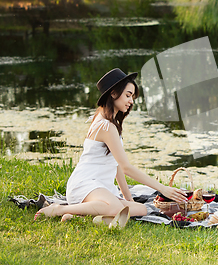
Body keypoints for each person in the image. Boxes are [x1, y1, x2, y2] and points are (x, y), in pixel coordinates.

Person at [34, 68, 187, 223]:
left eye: (132, 96)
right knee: (116, 209)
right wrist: (162, 188)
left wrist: (128, 198)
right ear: (113, 93)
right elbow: (126, 167)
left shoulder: (110, 122)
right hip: (85, 184)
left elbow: (117, 166)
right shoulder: (106, 126)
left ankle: (77, 215)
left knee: (141, 209)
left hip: (100, 187)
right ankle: (60, 209)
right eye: (128, 95)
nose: (131, 101)